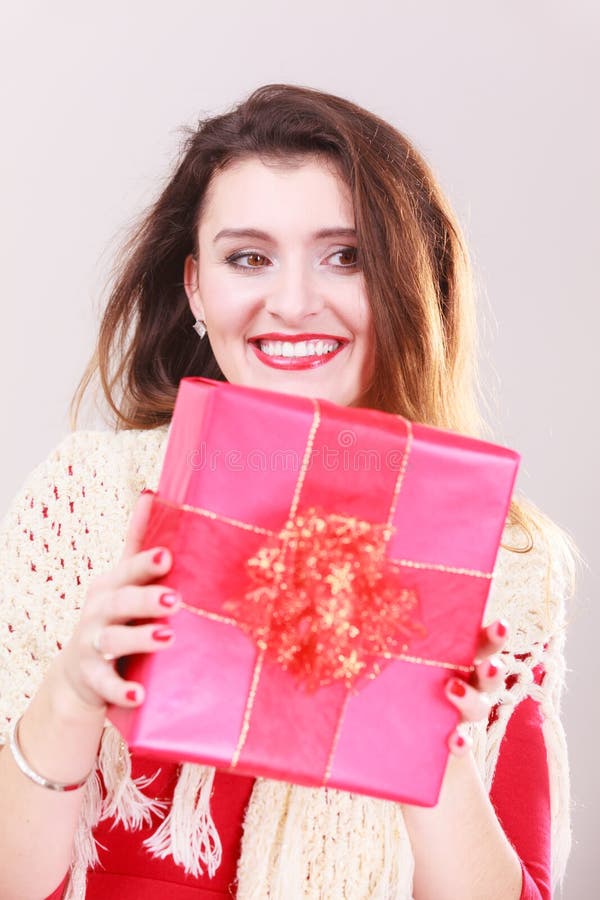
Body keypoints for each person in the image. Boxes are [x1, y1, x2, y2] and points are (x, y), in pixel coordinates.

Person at [0, 84, 575, 900]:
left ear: (408, 283)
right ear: (197, 289)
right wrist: (70, 695)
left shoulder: (503, 564)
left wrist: (427, 742)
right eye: (248, 257)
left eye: (347, 257)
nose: (296, 301)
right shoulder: (84, 503)